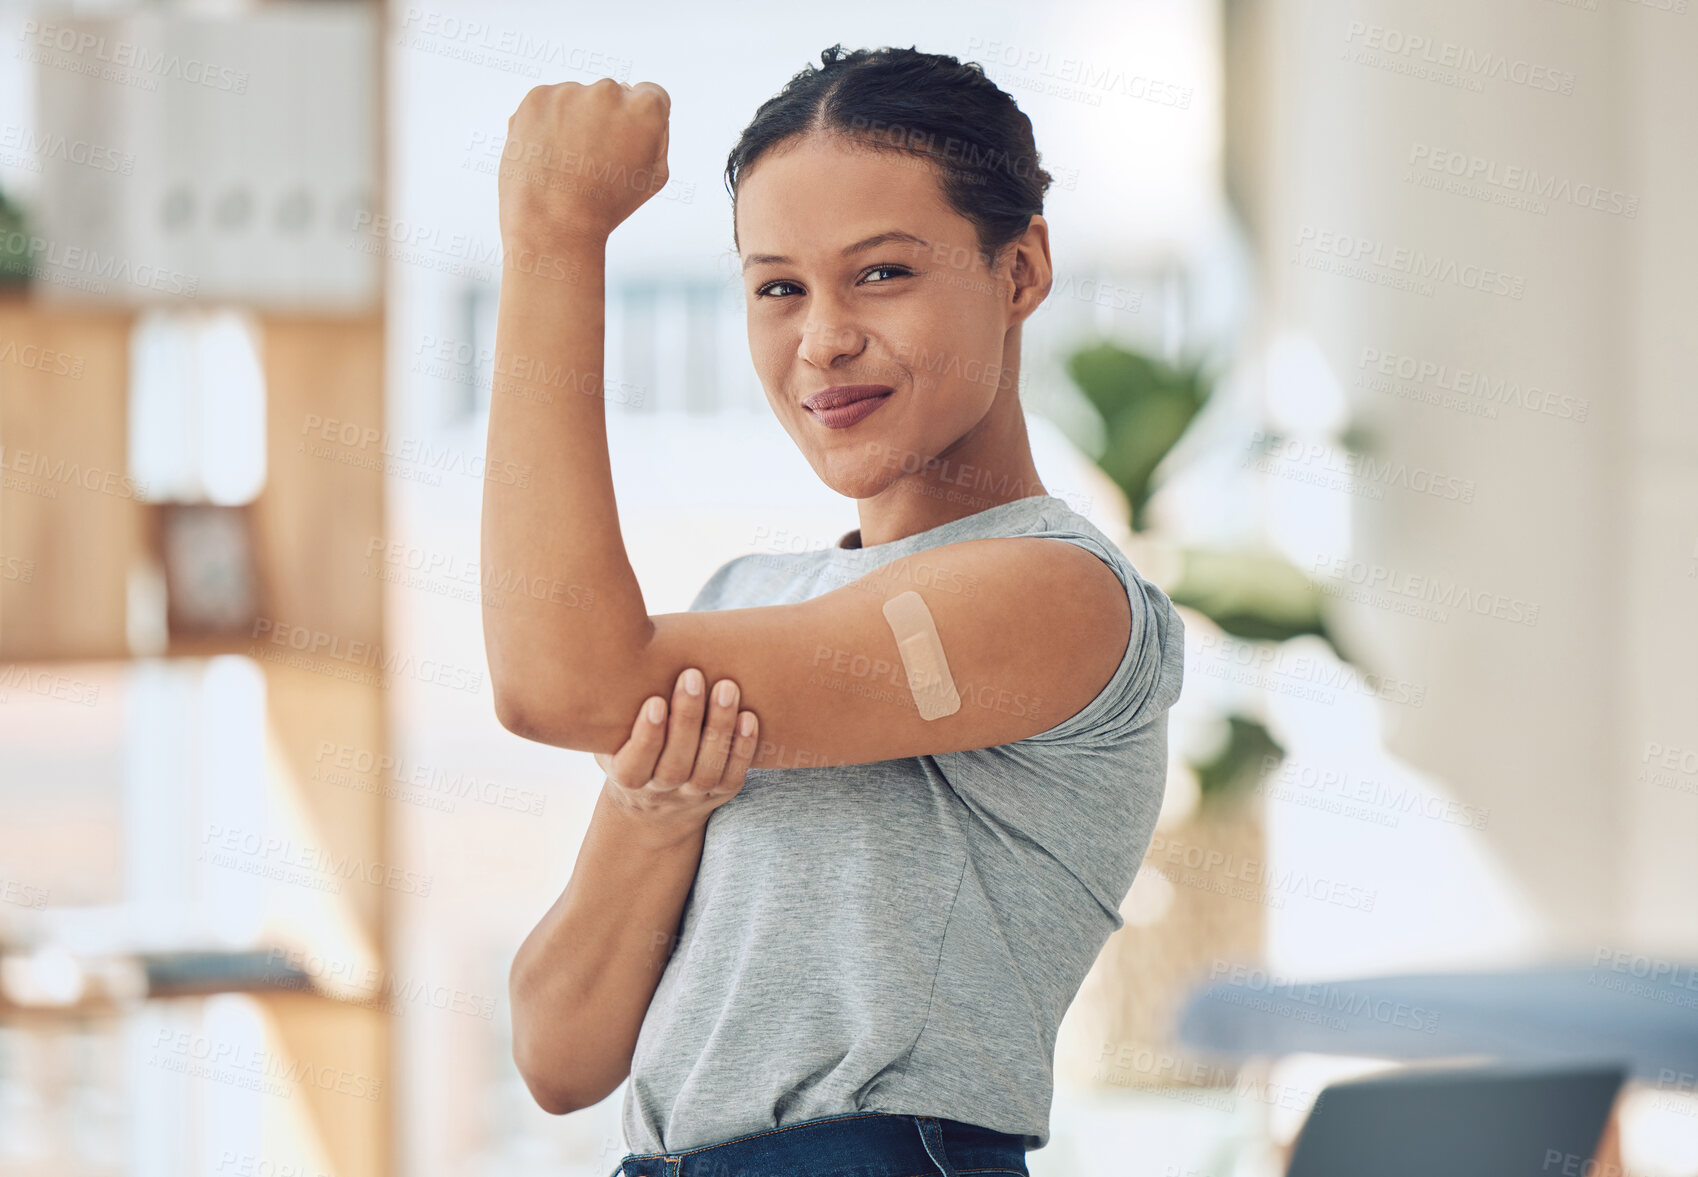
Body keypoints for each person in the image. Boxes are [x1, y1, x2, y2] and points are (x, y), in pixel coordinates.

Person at [483, 43, 1186, 1177]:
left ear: (1020, 271)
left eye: (883, 274)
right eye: (778, 287)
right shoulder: (741, 607)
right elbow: (558, 1054)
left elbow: (554, 680)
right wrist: (655, 817)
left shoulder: (1054, 592)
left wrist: (552, 238)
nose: (821, 340)